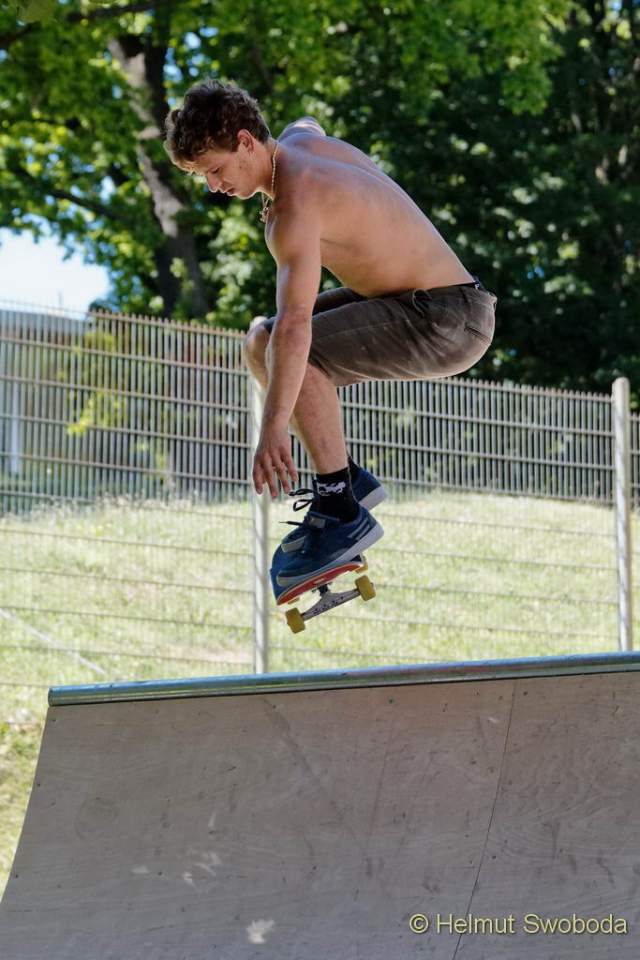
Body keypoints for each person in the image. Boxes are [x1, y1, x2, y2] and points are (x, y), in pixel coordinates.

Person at [164, 79, 497, 592]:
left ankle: (340, 508)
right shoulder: (299, 141)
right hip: (415, 301)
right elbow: (308, 122)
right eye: (201, 176)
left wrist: (273, 427)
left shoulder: (294, 206)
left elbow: (297, 327)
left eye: (215, 169)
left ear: (246, 142)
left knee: (295, 350)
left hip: (446, 318)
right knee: (259, 340)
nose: (213, 186)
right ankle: (347, 480)